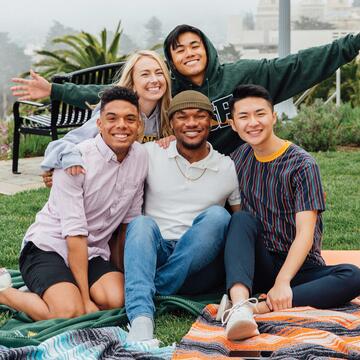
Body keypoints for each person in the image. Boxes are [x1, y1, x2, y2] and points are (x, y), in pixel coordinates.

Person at [12, 27, 360, 155]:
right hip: (189, 168)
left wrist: (351, 44)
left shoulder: (243, 74)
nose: (189, 52)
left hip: (239, 166)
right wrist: (55, 89)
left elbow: (299, 64)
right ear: (171, 59)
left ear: (206, 48)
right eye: (179, 49)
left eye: (195, 45)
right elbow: (116, 90)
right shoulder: (167, 89)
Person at [218, 84, 360, 341]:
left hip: (301, 268)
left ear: (274, 116)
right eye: (244, 117)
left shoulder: (302, 164)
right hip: (261, 265)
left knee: (353, 276)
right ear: (233, 125)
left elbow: (306, 232)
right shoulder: (237, 159)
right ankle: (240, 304)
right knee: (240, 219)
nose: (253, 123)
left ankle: (255, 308)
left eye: (260, 114)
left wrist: (283, 281)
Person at [0, 87, 148, 321]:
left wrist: (119, 270)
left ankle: (59, 290)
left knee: (117, 299)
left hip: (93, 251)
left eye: (130, 119)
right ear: (99, 124)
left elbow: (127, 223)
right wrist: (86, 300)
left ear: (139, 125)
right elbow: (75, 234)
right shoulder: (75, 161)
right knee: (70, 311)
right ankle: (6, 294)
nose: (122, 125)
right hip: (49, 246)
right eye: (112, 118)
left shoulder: (141, 157)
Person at [123, 90, 241, 347]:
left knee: (218, 216)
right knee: (141, 224)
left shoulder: (227, 167)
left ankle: (150, 287)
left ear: (210, 121)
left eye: (199, 116)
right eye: (182, 116)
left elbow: (240, 221)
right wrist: (62, 160)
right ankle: (142, 318)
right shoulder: (150, 153)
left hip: (199, 263)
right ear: (171, 122)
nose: (191, 123)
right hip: (155, 252)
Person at [12, 50, 173, 184]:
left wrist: (174, 139)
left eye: (159, 73)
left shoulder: (171, 113)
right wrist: (62, 166)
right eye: (145, 74)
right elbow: (65, 144)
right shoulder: (113, 114)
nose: (154, 80)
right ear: (132, 83)